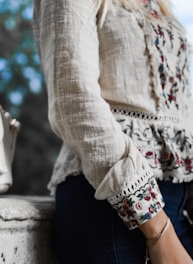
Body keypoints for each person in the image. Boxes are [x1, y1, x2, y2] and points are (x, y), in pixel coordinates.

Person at [32, 0, 193, 263]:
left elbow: (181, 110)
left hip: (177, 207)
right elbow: (73, 101)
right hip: (112, 204)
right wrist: (157, 230)